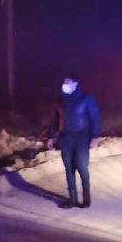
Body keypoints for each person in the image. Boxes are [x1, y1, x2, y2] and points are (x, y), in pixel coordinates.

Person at [46, 74, 101, 208]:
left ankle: (86, 198)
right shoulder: (60, 100)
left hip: (81, 138)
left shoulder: (85, 98)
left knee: (82, 168)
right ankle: (72, 199)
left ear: (75, 84)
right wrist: (51, 136)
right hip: (65, 138)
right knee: (69, 169)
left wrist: (95, 136)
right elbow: (55, 119)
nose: (65, 84)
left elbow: (95, 116)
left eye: (68, 82)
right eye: (64, 82)